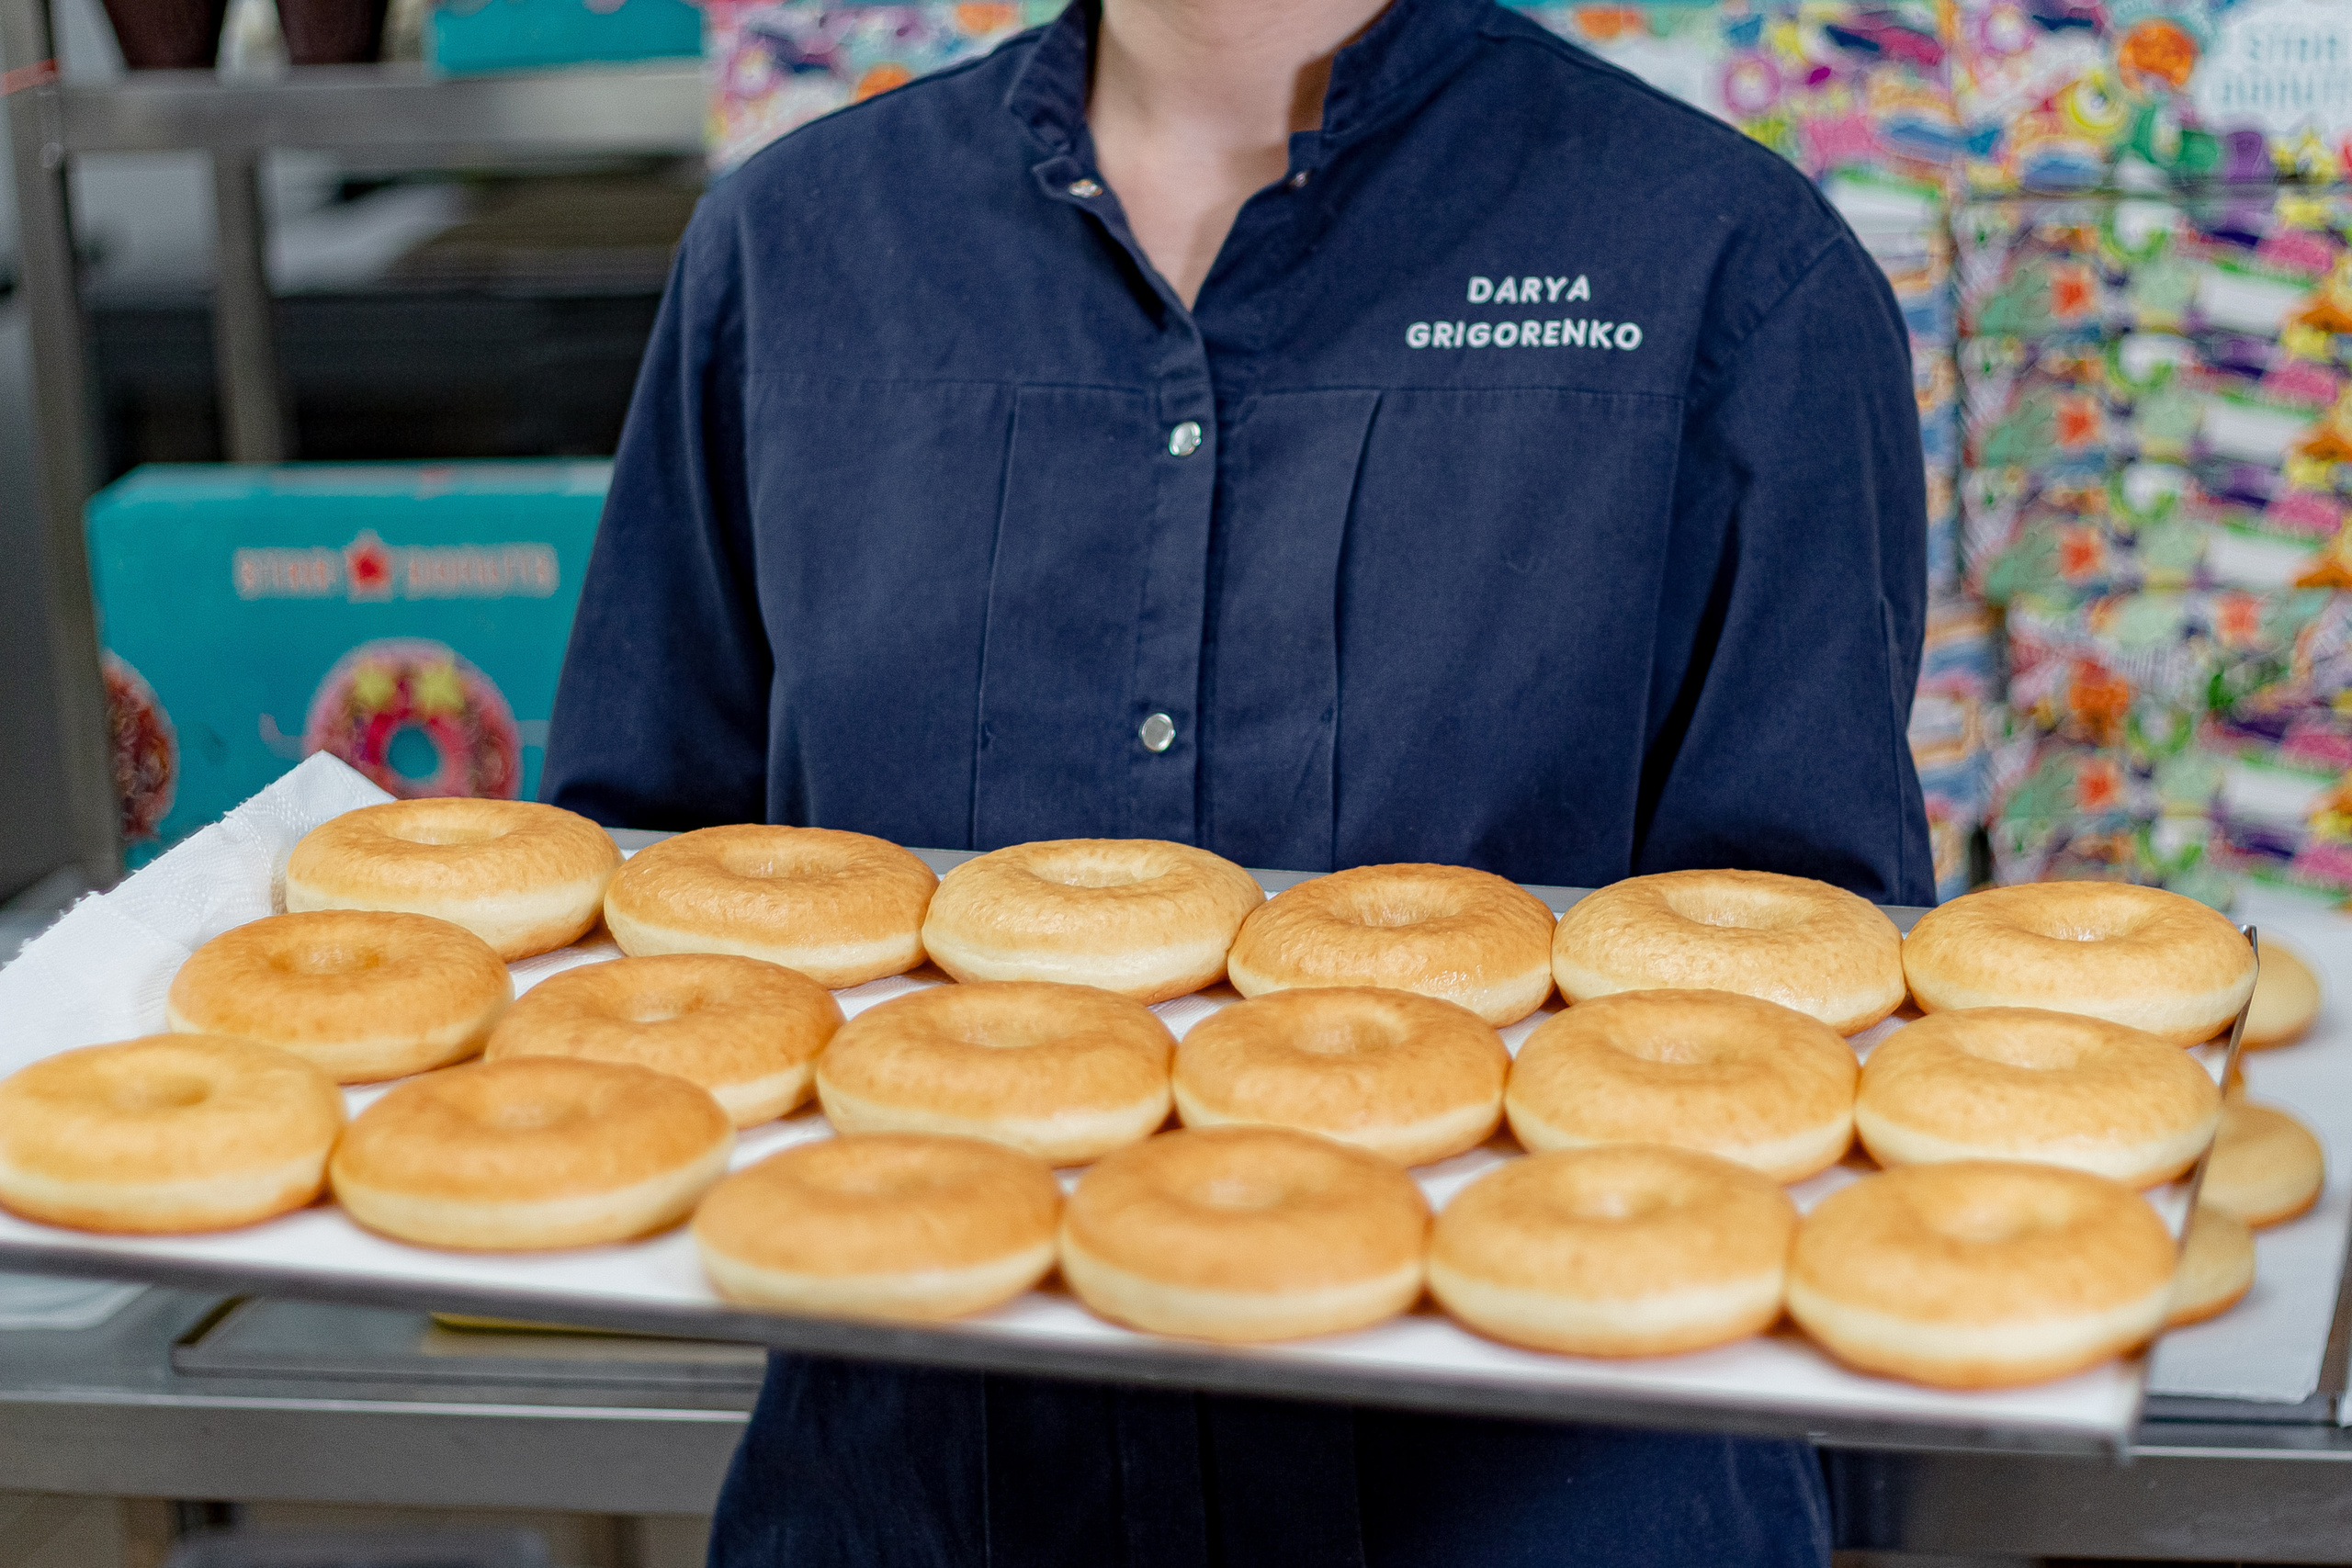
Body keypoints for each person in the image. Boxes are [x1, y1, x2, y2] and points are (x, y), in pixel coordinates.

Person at [540, 0, 1929, 1560]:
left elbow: (1812, 996)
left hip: (1545, 1497)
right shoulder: (796, 252)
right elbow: (627, 915)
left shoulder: (1729, 271)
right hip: (924, 1497)